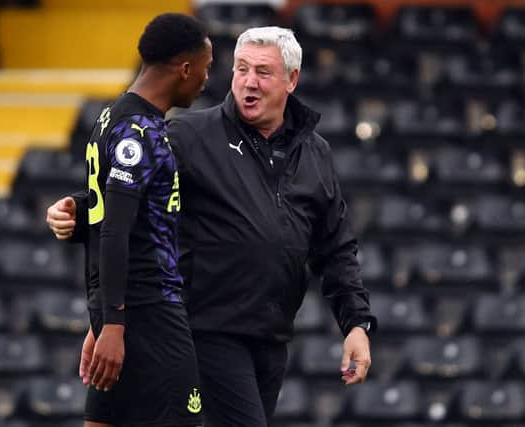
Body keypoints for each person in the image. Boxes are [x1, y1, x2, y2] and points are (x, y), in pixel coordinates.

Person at [48, 27, 376, 427]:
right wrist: (79, 211)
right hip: (205, 329)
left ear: (292, 79)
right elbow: (129, 194)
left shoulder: (316, 153)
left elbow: (336, 247)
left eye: (263, 72)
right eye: (241, 69)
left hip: (271, 338)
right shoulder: (189, 135)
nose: (249, 81)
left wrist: (355, 324)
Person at [67, 13, 212, 427]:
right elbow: (114, 229)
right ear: (185, 68)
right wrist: (112, 323)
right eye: (206, 66)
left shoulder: (109, 117)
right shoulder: (140, 132)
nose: (205, 79)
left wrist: (104, 317)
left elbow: (100, 220)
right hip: (151, 311)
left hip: (123, 309)